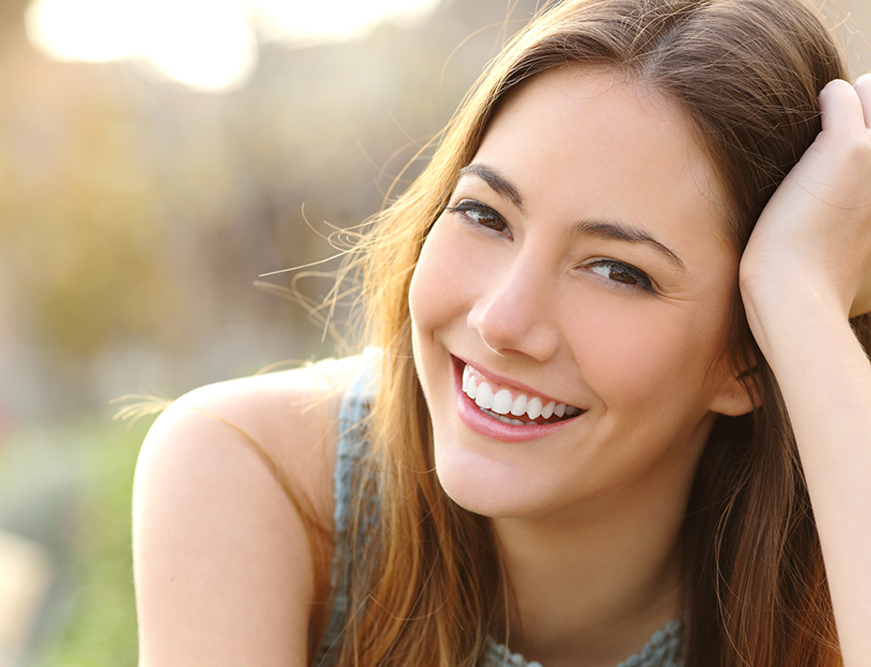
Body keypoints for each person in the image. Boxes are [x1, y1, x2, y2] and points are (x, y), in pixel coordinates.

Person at [131, 0, 871, 664]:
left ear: (749, 361)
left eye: (617, 270)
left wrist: (802, 301)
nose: (501, 319)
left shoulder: (835, 559)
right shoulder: (254, 472)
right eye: (485, 215)